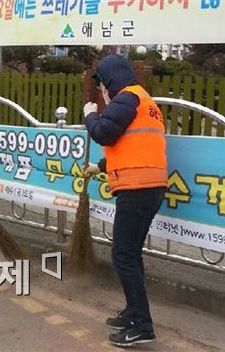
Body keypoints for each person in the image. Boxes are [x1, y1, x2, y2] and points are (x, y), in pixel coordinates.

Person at [83, 55, 167, 347]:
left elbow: (104, 133)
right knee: (131, 255)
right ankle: (133, 313)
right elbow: (133, 146)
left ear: (111, 80)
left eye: (103, 84)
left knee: (123, 255)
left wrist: (89, 115)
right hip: (150, 186)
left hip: (136, 189)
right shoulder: (146, 103)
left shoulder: (126, 98)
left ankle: (142, 326)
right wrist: (101, 167)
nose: (103, 90)